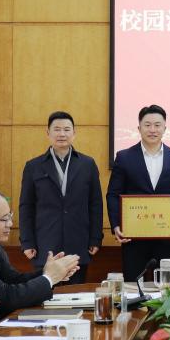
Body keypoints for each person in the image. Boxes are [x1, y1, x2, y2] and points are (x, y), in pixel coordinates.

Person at [0, 188, 80, 331]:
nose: (10, 224)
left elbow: (13, 279)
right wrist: (49, 278)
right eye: (4, 219)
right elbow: (6, 297)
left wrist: (49, 272)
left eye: (10, 216)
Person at [19, 110, 104, 285]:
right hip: (45, 244)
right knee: (45, 294)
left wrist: (95, 238)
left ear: (74, 133)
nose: (62, 134)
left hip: (78, 242)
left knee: (76, 295)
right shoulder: (33, 166)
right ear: (48, 133)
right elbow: (26, 206)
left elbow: (95, 204)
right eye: (57, 129)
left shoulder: (87, 164)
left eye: (66, 129)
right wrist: (27, 242)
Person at [107, 104, 170, 281]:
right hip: (134, 237)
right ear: (139, 128)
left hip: (166, 237)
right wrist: (116, 225)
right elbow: (113, 194)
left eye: (157, 125)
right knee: (133, 286)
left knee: (167, 288)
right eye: (147, 125)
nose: (152, 129)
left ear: (165, 128)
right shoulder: (124, 157)